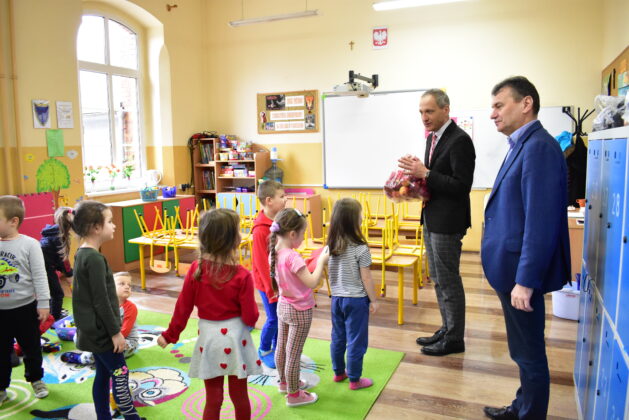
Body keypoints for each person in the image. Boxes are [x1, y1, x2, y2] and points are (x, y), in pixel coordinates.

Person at [482, 76, 570, 420]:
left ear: (526, 103)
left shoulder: (538, 148)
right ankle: (522, 407)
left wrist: (526, 280)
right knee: (522, 350)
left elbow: (540, 221)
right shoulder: (522, 143)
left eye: (499, 105)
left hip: (520, 273)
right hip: (511, 269)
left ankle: (530, 415)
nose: (493, 114)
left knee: (529, 353)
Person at [158, 209, 261, 420]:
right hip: (235, 340)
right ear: (231, 240)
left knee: (213, 399)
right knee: (239, 396)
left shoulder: (196, 269)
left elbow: (183, 308)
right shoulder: (242, 275)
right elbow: (250, 317)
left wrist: (170, 335)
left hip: (209, 340)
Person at [398, 89, 476, 356]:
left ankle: (455, 339)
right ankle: (447, 328)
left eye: (429, 111)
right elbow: (435, 178)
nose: (424, 117)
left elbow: (461, 186)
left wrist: (426, 173)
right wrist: (416, 175)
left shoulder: (460, 140)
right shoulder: (433, 137)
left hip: (448, 222)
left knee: (448, 280)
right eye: (421, 112)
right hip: (432, 217)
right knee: (438, 279)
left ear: (446, 109)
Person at [71, 200, 144, 420]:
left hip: (93, 331)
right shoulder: (94, 258)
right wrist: (115, 333)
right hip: (103, 333)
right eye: (110, 221)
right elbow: (101, 301)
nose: (114, 225)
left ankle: (104, 416)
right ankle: (132, 418)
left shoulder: (82, 254)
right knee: (120, 375)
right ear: (96, 227)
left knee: (103, 375)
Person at [269, 208, 329, 407]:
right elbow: (312, 282)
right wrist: (321, 262)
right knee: (293, 354)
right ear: (293, 234)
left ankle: (284, 383)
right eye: (303, 234)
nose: (304, 238)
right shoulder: (292, 257)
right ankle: (294, 395)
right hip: (300, 311)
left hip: (283, 306)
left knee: (282, 348)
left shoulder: (274, 252)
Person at [0, 195, 51, 406]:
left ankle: (36, 379)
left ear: (13, 221)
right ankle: (1, 387)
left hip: (25, 308)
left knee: (31, 348)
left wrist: (44, 303)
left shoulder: (30, 245)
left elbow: (40, 275)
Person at [326, 198, 377, 390]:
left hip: (336, 299)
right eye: (360, 214)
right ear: (354, 220)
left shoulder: (331, 245)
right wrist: (374, 300)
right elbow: (367, 278)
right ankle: (355, 379)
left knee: (338, 337)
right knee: (356, 340)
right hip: (356, 301)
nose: (363, 216)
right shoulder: (361, 248)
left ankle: (339, 372)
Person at [62, 272, 139, 365]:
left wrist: (102, 342)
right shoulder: (103, 304)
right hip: (106, 338)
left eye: (129, 285)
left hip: (126, 342)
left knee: (101, 353)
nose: (127, 287)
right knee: (78, 337)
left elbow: (124, 332)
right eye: (122, 284)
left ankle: (80, 358)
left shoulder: (131, 308)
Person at [251, 180, 287, 369]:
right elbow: (260, 263)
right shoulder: (260, 230)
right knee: (273, 318)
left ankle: (277, 348)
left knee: (281, 317)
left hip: (278, 281)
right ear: (269, 200)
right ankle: (264, 349)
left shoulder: (277, 222)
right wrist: (271, 289)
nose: (285, 199)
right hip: (268, 284)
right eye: (281, 196)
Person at [40, 206, 74, 321]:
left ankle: (52, 313)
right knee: (58, 294)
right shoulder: (59, 237)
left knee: (51, 292)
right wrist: (69, 275)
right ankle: (54, 318)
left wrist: (67, 272)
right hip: (44, 267)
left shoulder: (54, 233)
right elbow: (63, 260)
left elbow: (58, 258)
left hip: (45, 266)